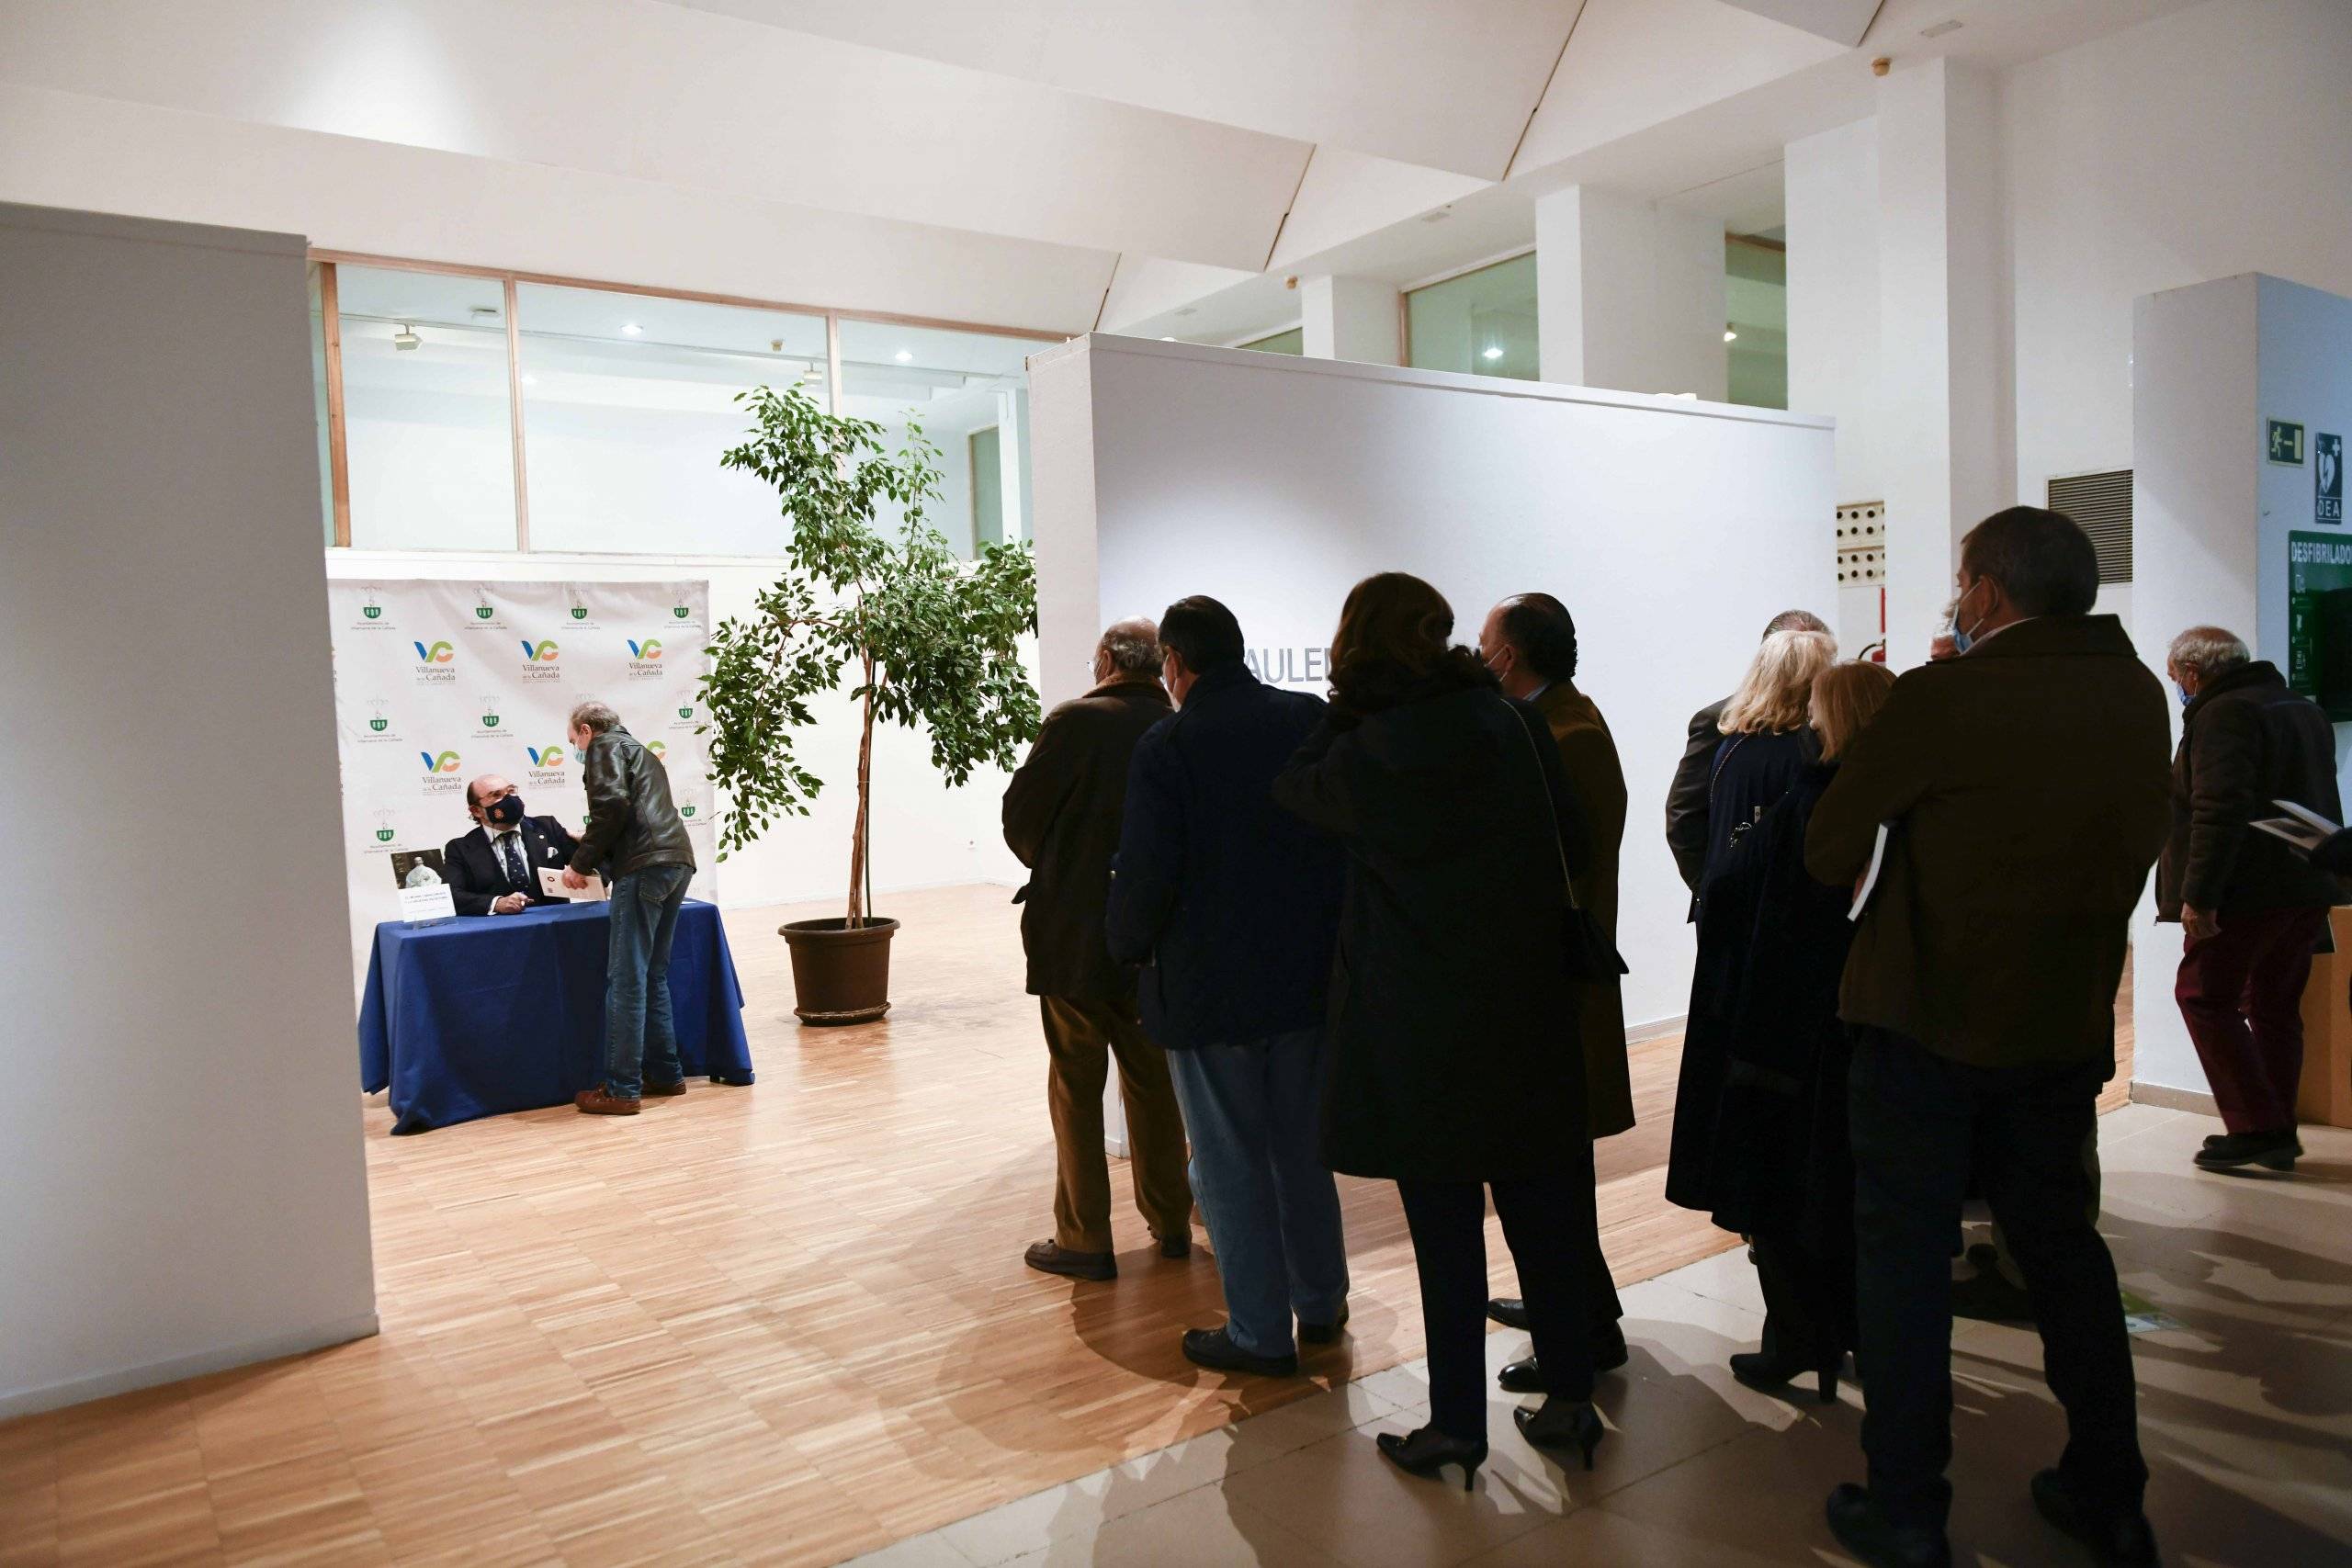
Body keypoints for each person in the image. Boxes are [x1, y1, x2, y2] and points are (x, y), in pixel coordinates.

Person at [1806, 507, 2170, 1568]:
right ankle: (2111, 1491)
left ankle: (1909, 1508)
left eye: (1963, 582)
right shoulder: (2136, 692)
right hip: (2059, 1023)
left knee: (1906, 1265)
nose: (1956, 600)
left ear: (1989, 593)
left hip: (1925, 1021)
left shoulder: (1947, 696)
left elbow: (1832, 848)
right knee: (2062, 1255)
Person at [1274, 572, 1609, 1489]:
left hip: (1419, 1020)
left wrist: (1346, 706)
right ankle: (1573, 1401)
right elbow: (1571, 844)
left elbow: (1294, 789)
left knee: (1446, 1235)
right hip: (1524, 1002)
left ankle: (1457, 1426)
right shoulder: (1507, 719)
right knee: (1545, 1211)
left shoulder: (1364, 747)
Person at [1105, 596, 1350, 1376]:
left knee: (1229, 1161)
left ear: (1175, 664)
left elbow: (1145, 873)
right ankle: (1320, 1303)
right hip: (1305, 979)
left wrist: (1126, 947)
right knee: (1303, 1149)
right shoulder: (1305, 717)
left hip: (1210, 990)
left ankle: (1258, 1331)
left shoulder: (1168, 744)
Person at [1668, 660, 1894, 1404]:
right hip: (1864, 1019)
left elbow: (1737, 885)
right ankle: (1853, 1328)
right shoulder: (1900, 798)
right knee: (1845, 1183)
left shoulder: (1809, 793)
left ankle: (1797, 1336)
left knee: (1781, 1183)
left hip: (1784, 1015)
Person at [1473, 592, 1632, 1394]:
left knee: (1551, 1175)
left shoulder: (1560, 737)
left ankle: (1580, 1330)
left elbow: (1537, 871)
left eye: (1485, 641)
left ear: (1513, 656)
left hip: (1553, 987)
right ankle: (1579, 1311)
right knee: (1554, 1173)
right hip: (1557, 982)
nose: (1475, 653)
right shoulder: (1566, 721)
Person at [1001, 620, 1193, 1281]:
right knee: (1155, 1086)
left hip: (1076, 940)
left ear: (1107, 660)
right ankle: (1171, 1221)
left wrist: (1058, 867)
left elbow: (1021, 818)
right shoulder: (1175, 727)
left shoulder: (1074, 724)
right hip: (1155, 944)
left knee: (1076, 1087)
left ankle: (1084, 1238)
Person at [2159, 625, 2343, 1173]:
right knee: (2273, 1006)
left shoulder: (2224, 714)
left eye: (2176, 679)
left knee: (2201, 995)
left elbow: (2219, 809)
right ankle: (2276, 1125)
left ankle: (2257, 1126)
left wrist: (2199, 896)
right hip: (2306, 884)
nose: (2179, 689)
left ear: (2194, 674)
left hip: (2248, 890)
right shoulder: (2300, 707)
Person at [560, 700, 698, 1116]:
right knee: (652, 975)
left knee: (626, 980)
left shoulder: (603, 747)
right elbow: (632, 810)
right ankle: (666, 1073)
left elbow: (613, 806)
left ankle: (622, 1089)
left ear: (586, 730)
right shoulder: (641, 750)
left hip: (643, 868)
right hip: (676, 860)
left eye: (573, 741)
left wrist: (580, 863)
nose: (576, 750)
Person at [1665, 609, 1832, 916]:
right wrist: (1710, 886)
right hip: (1732, 899)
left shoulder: (1825, 728)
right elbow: (1683, 814)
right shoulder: (1719, 721)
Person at [444, 774, 581, 917]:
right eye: (496, 795)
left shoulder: (547, 827)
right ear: (476, 811)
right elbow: (452, 895)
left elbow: (591, 867)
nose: (509, 799)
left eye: (511, 791)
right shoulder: (459, 848)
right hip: (500, 931)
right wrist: (496, 903)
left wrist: (593, 844)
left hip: (556, 923)